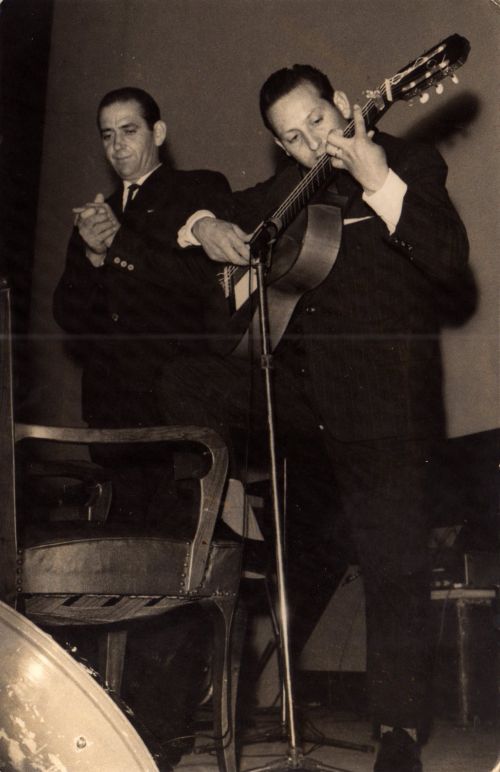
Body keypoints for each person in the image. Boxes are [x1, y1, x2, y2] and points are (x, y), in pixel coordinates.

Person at [157, 65, 470, 772]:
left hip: (386, 403)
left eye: (318, 123)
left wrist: (378, 179)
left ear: (343, 104)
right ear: (280, 146)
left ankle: (398, 732)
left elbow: (452, 261)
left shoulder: (412, 162)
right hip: (301, 400)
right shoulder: (285, 190)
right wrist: (205, 225)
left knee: (393, 564)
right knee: (184, 379)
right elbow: (211, 206)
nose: (311, 144)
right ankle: (221, 515)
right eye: (292, 139)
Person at [52, 86, 234, 767]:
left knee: (172, 566)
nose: (117, 145)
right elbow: (70, 315)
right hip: (114, 420)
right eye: (106, 134)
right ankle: (116, 721)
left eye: (129, 130)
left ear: (158, 131)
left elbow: (195, 288)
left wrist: (119, 247)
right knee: (120, 571)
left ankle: (165, 730)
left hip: (176, 418)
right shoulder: (97, 218)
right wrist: (94, 258)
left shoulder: (197, 191)